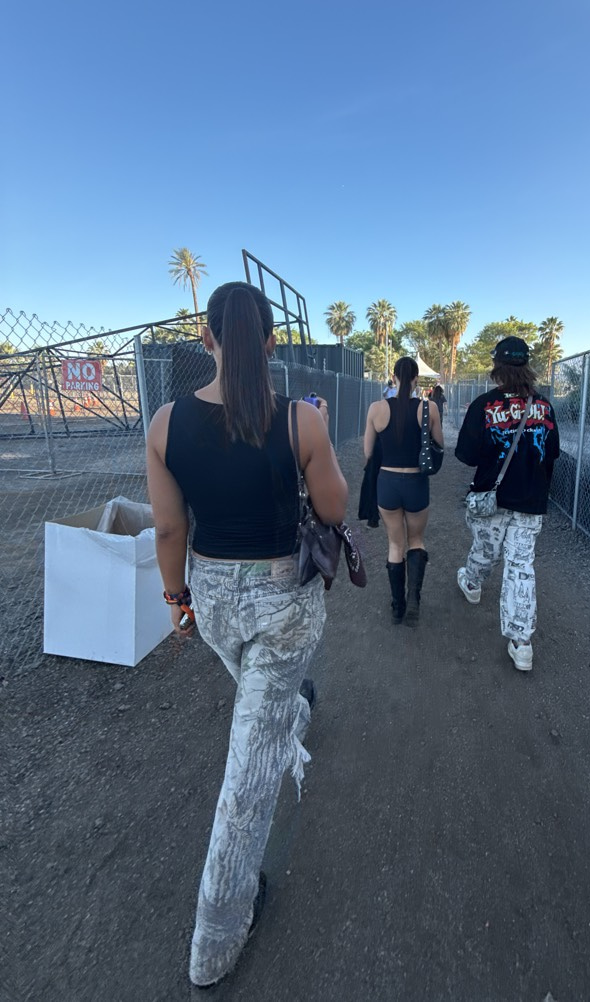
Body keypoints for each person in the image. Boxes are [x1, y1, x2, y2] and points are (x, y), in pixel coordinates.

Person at [145, 281, 348, 988]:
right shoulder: (300, 420)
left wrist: (176, 598)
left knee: (263, 706)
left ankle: (290, 711)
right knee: (247, 778)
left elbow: (168, 527)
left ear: (207, 338)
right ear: (269, 340)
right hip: (281, 601)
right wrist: (318, 438)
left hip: (211, 595)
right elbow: (333, 508)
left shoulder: (165, 423)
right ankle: (216, 937)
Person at [454, 336, 559, 672]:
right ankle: (521, 643)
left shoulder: (483, 405)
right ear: (527, 366)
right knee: (520, 565)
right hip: (530, 498)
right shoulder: (544, 406)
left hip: (491, 497)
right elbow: (552, 453)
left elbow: (467, 455)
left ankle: (472, 583)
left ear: (497, 366)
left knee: (487, 550)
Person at [364, 356, 443, 626]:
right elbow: (439, 445)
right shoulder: (429, 408)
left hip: (387, 483)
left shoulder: (376, 409)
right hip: (416, 483)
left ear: (394, 377)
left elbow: (367, 453)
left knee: (395, 544)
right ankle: (414, 600)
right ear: (416, 380)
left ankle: (397, 606)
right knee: (416, 540)